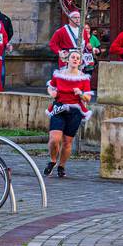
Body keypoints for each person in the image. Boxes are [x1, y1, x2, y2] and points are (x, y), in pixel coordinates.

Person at [42, 49, 93, 178]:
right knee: (54, 139)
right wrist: (51, 92)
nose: (75, 59)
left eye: (78, 58)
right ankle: (53, 161)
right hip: (59, 108)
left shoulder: (84, 78)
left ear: (80, 62)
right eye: (73, 57)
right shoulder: (59, 74)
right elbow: (50, 86)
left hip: (74, 111)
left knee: (67, 142)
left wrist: (80, 93)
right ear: (68, 60)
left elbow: (88, 98)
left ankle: (62, 166)